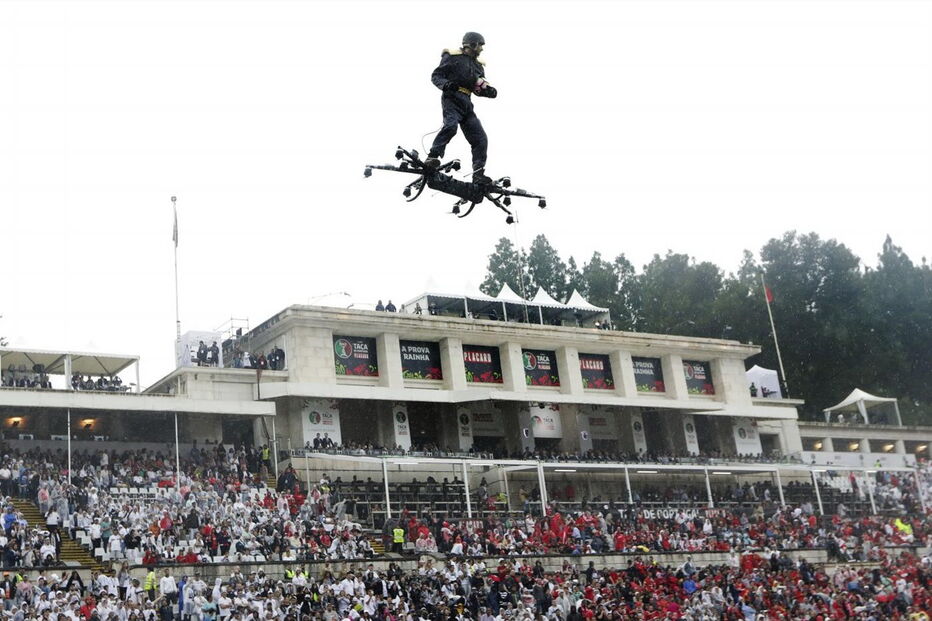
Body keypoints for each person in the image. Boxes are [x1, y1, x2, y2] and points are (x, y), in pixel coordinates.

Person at [424, 32, 497, 184]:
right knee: (451, 126)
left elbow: (478, 87)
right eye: (480, 45)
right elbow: (436, 76)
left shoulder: (478, 65)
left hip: (467, 104)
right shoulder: (452, 57)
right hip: (452, 98)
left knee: (480, 139)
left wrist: (487, 91)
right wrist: (446, 85)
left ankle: (478, 174)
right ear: (471, 44)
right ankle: (432, 157)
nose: (482, 49)